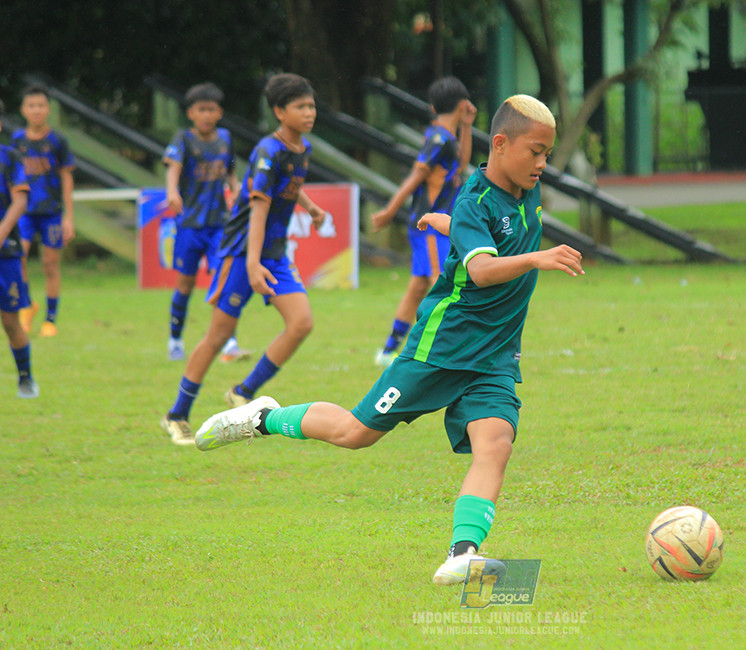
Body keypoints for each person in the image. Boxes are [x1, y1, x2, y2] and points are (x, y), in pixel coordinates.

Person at [193, 95, 585, 585]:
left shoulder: (521, 189)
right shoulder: (475, 201)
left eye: (548, 153)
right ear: (501, 145)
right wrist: (533, 257)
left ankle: (461, 554)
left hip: (494, 356)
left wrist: (447, 226)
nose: (543, 164)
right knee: (355, 433)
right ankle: (263, 417)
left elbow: (484, 235)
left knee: (496, 443)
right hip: (441, 348)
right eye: (536, 152)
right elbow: (481, 269)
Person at [160, 73, 327, 446]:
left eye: (311, 105)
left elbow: (290, 189)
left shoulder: (303, 148)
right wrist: (252, 263)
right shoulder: (269, 149)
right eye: (300, 106)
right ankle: (177, 414)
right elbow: (259, 207)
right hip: (241, 253)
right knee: (218, 336)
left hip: (274, 254)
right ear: (279, 112)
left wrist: (311, 208)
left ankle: (243, 390)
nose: (309, 112)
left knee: (301, 323)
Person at [370, 76, 476, 367]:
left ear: (432, 106)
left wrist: (466, 126)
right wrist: (391, 209)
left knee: (419, 286)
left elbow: (462, 165)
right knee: (440, 282)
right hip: (429, 226)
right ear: (463, 104)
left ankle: (389, 350)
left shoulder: (446, 137)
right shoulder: (439, 139)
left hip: (437, 225)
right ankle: (442, 348)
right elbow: (417, 175)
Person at [162, 82, 249, 363]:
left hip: (219, 225)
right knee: (185, 285)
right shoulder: (183, 140)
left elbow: (231, 172)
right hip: (189, 225)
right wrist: (172, 191)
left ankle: (229, 342)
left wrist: (235, 189)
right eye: (201, 110)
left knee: (222, 282)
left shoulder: (225, 138)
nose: (207, 115)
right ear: (191, 113)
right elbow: (173, 168)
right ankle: (175, 339)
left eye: (211, 110)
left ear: (219, 112)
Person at [13, 84, 74, 338]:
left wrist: (69, 217)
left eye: (41, 105)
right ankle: (27, 307)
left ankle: (50, 319)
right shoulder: (17, 140)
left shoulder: (58, 141)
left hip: (51, 212)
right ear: (23, 110)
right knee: (19, 259)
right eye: (31, 106)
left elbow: (67, 178)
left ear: (48, 109)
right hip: (24, 212)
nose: (36, 110)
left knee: (50, 265)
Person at [0, 99, 39, 398]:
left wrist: (2, 232)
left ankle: (25, 377)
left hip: (6, 253)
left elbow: (20, 200)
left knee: (10, 319)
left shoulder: (9, 158)